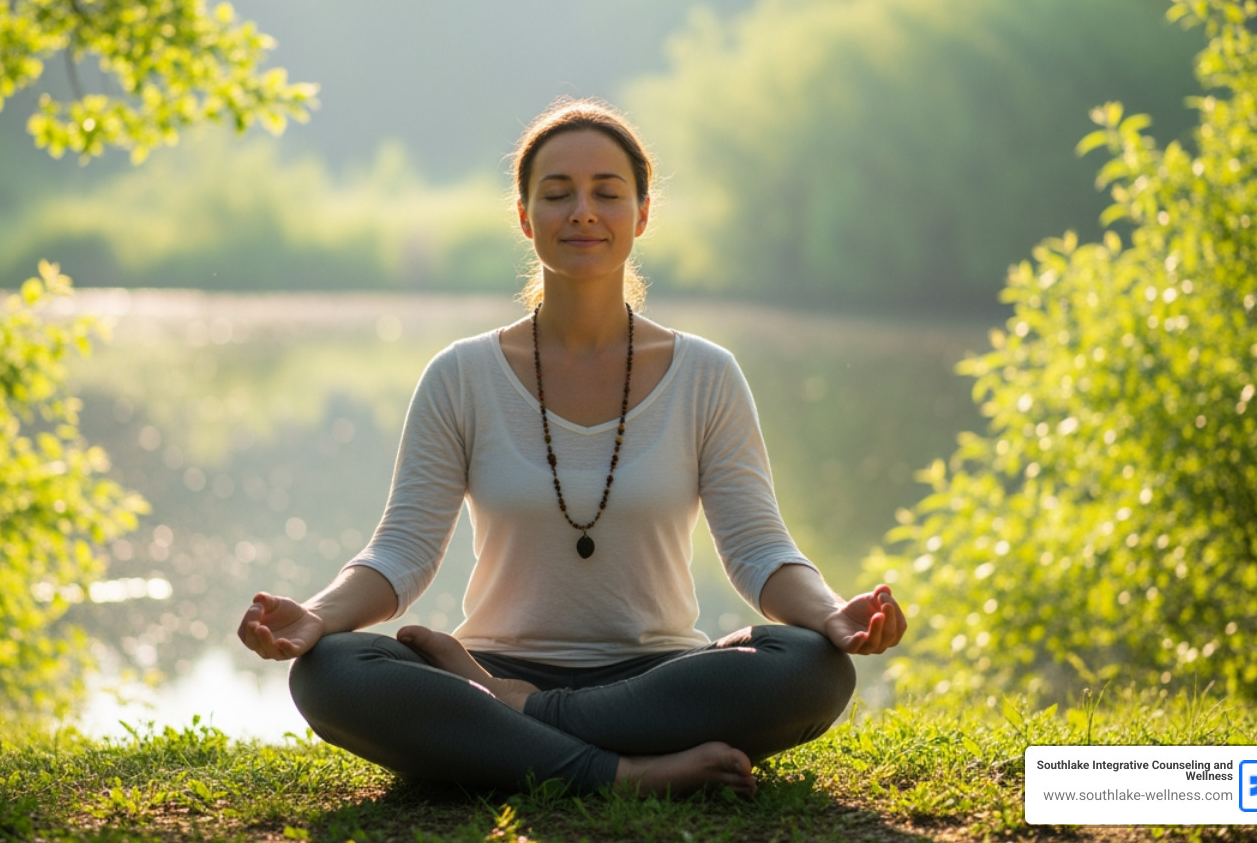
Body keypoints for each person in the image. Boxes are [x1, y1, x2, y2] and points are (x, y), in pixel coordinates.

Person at [237, 99, 907, 797]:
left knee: (812, 665)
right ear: (526, 218)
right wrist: (316, 615)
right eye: (557, 195)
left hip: (657, 677)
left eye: (606, 194)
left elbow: (758, 550)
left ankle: (517, 718)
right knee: (332, 670)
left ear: (642, 214)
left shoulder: (707, 374)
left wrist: (830, 612)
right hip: (497, 659)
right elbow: (400, 552)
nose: (582, 211)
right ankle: (620, 774)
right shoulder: (461, 376)